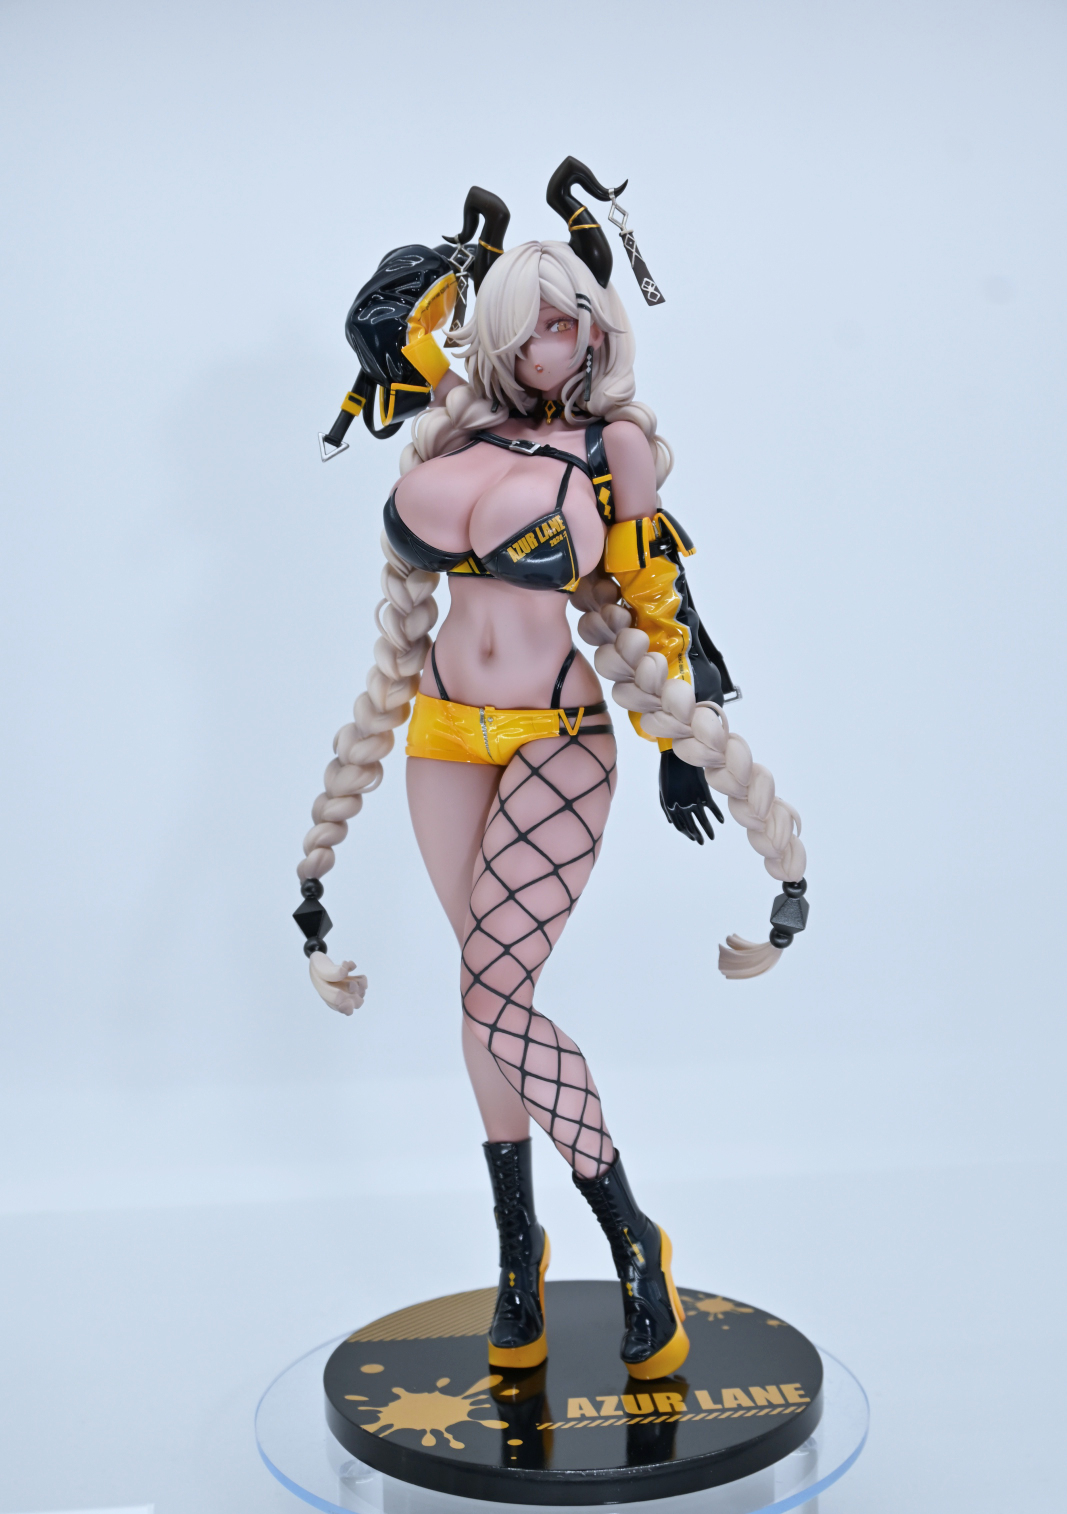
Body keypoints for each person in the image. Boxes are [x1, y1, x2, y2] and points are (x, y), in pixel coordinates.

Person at [295, 161, 808, 1385]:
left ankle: (631, 1240)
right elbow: (394, 330)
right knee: (492, 996)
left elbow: (650, 593)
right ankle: (516, 1258)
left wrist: (677, 743)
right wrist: (465, 251)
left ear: (595, 328)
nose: (550, 345)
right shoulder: (455, 421)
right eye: (528, 326)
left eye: (569, 321)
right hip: (441, 734)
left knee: (491, 994)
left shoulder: (611, 445)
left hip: (555, 736)